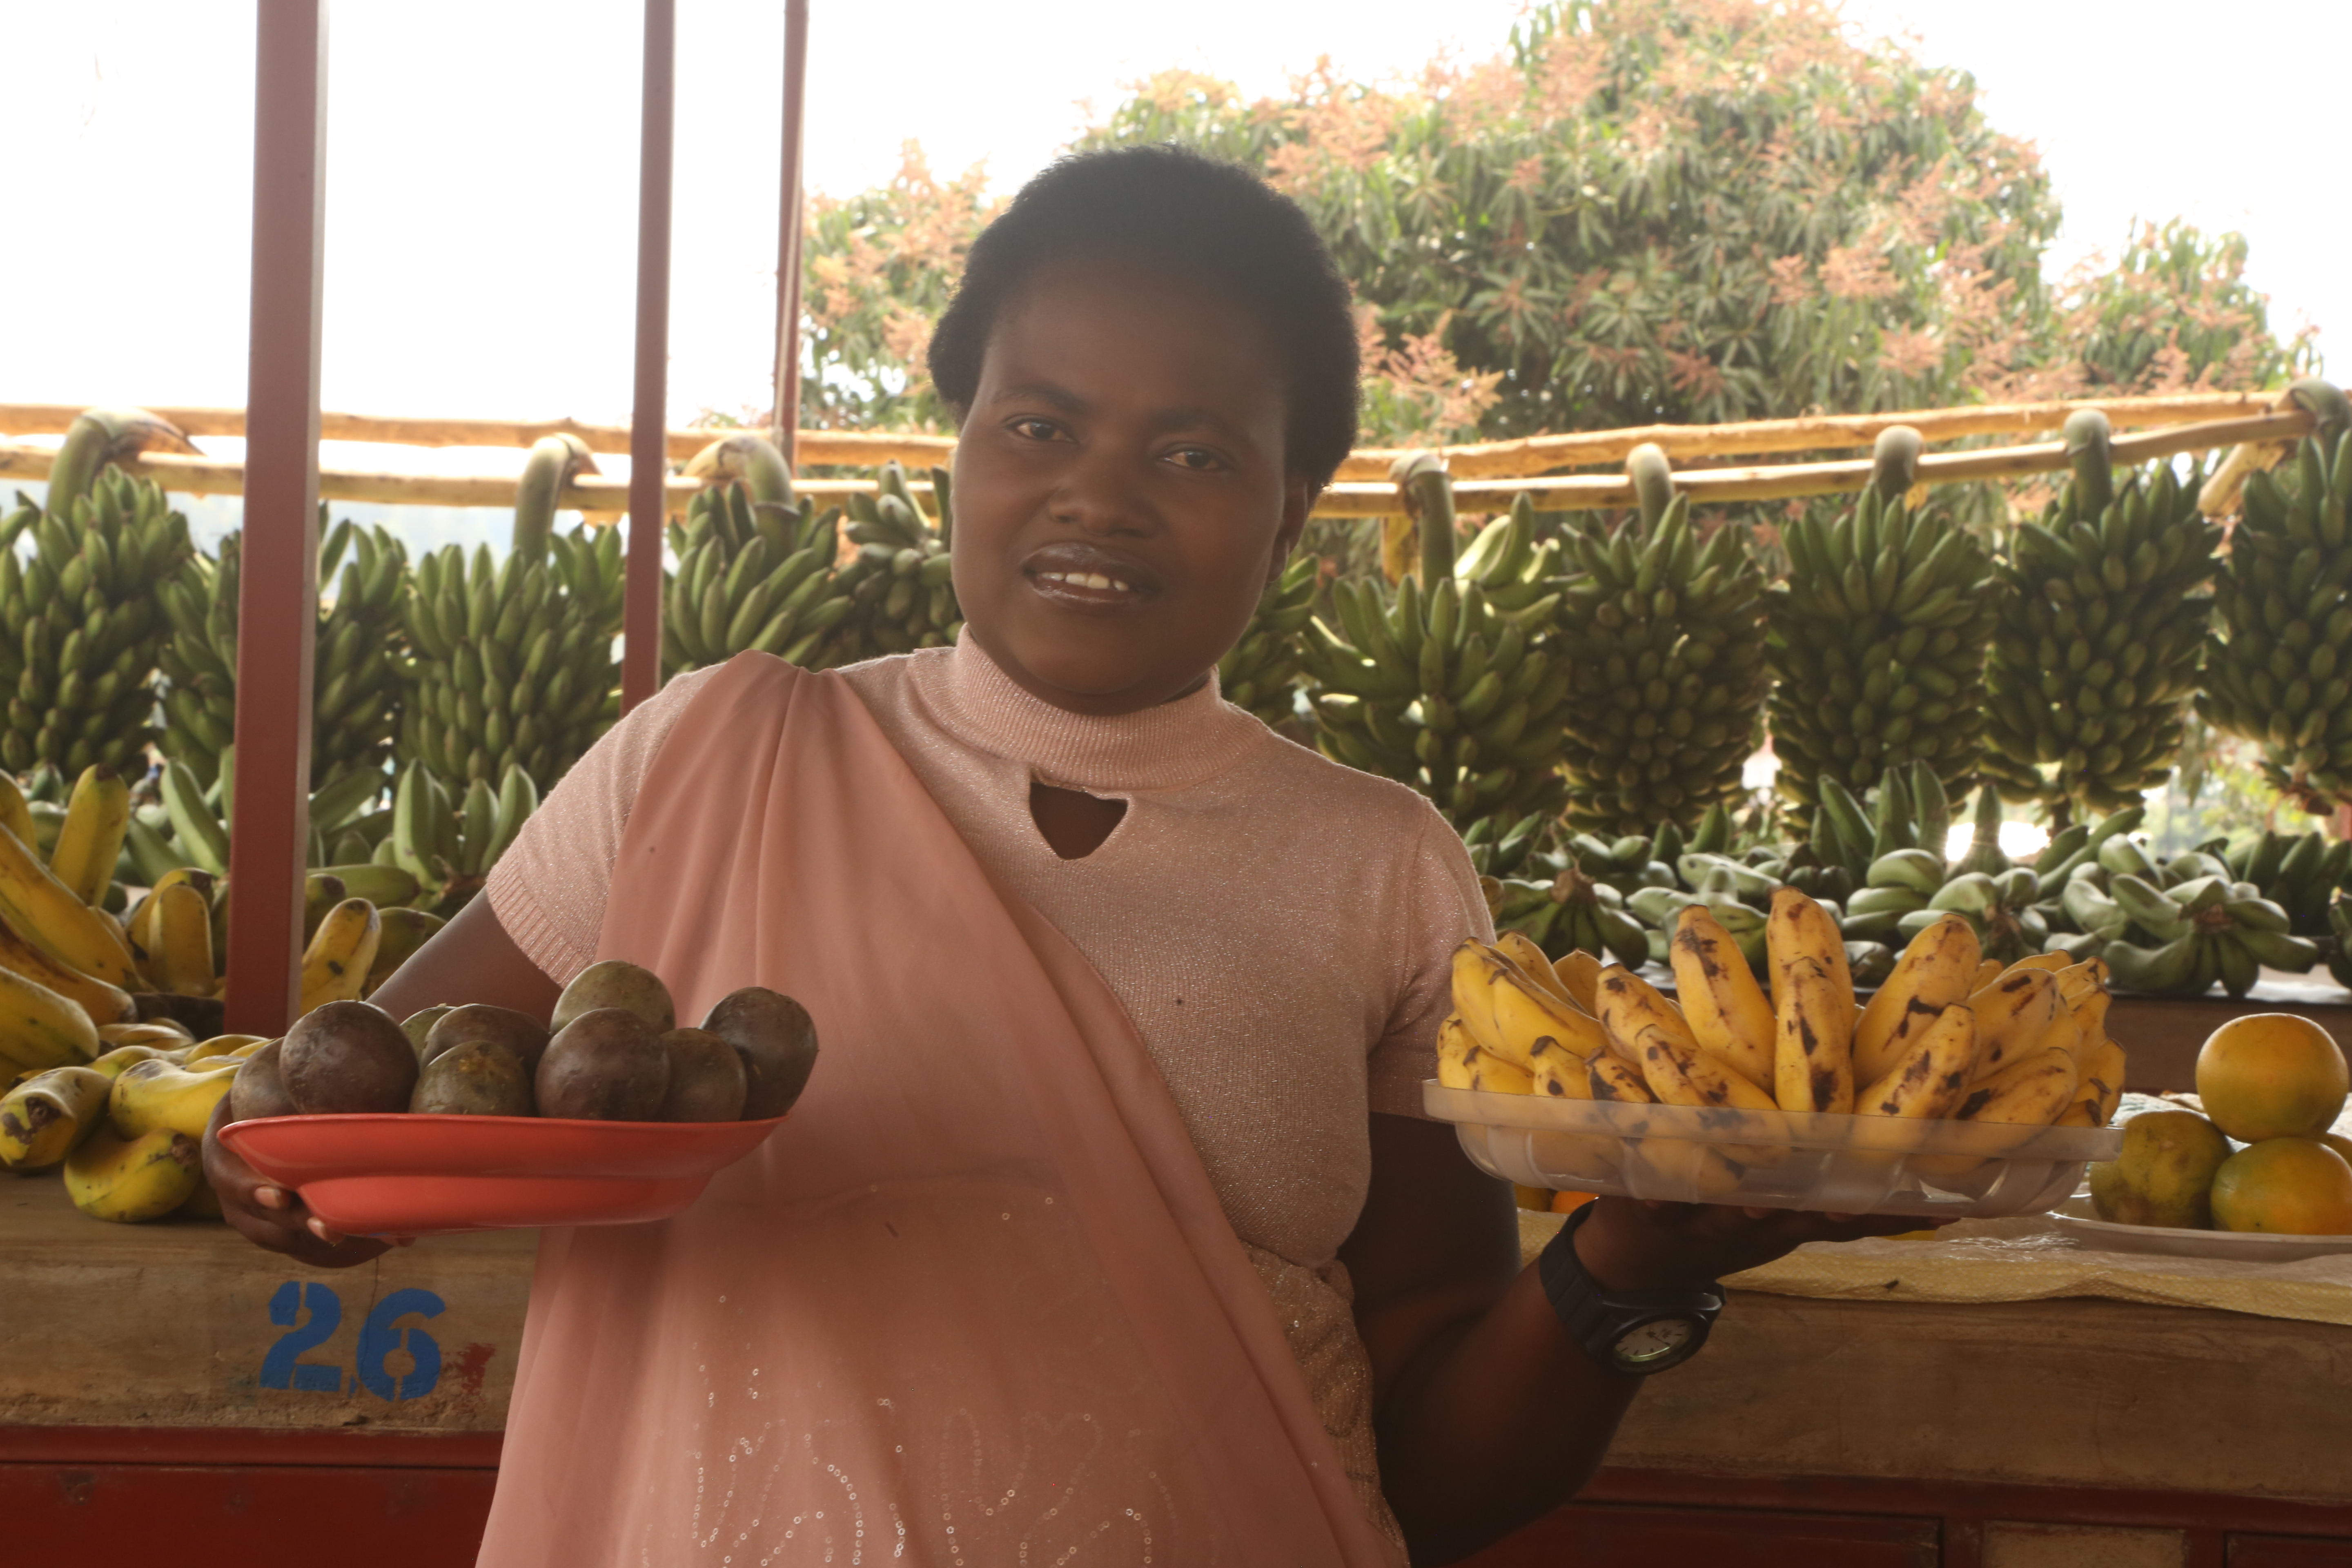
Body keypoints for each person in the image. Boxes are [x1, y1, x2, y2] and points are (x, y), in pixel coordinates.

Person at [206, 145, 1920, 1566]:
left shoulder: (1380, 868)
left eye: (1191, 453)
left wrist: (1634, 1270)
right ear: (957, 440)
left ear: (1293, 501)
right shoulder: (707, 758)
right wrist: (292, 1181)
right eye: (1039, 426)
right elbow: (384, 1107)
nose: (1098, 497)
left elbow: (1437, 1464)